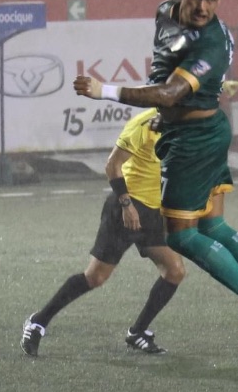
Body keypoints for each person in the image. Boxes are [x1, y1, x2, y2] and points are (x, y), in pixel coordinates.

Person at [72, 0, 238, 354]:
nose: (203, 6)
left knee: (180, 234)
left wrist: (103, 90)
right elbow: (166, 73)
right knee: (212, 226)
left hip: (195, 140)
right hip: (198, 129)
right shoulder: (165, 13)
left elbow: (169, 92)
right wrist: (168, 114)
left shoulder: (211, 42)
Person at [21, 107, 186, 357]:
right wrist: (126, 205)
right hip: (126, 209)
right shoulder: (144, 124)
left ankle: (137, 332)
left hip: (153, 213)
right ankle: (38, 322)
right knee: (95, 277)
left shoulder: (185, 123)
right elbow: (112, 165)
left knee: (174, 270)